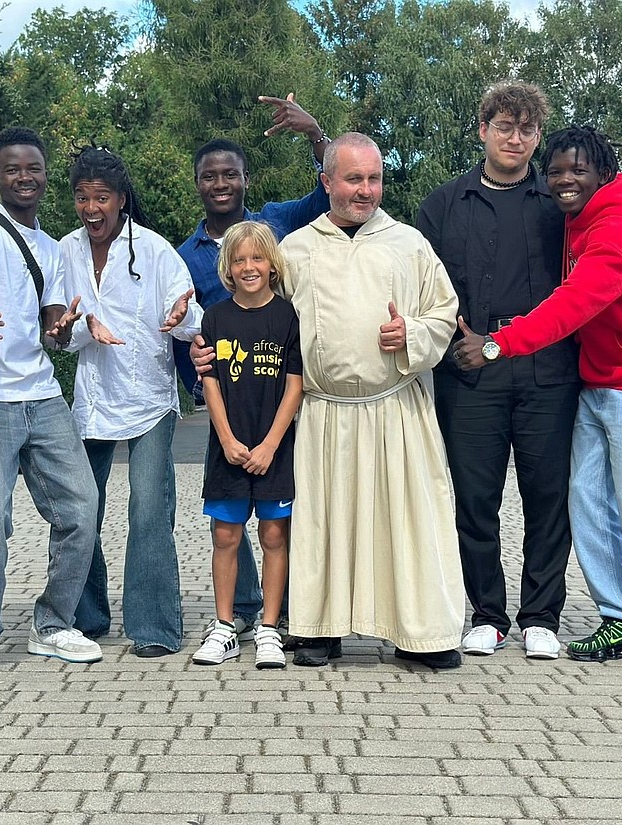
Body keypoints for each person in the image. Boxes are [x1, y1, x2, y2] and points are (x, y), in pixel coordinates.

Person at [418, 82, 622, 661]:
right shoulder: (444, 204)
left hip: (552, 375)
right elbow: (421, 285)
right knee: (477, 501)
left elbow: (590, 290)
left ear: (537, 136)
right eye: (504, 126)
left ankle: (542, 616)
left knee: (554, 501)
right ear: (483, 130)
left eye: (527, 129)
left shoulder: (563, 203)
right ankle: (488, 616)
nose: (515, 138)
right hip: (471, 371)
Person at [278, 132, 466, 668]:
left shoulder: (409, 244)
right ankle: (319, 629)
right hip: (323, 413)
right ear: (326, 181)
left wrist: (411, 333)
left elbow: (444, 312)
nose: (365, 190)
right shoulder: (295, 250)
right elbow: (266, 322)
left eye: (374, 179)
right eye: (353, 179)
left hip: (396, 409)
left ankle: (422, 633)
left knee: (408, 522)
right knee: (324, 523)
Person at [0, 127, 102, 677]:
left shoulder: (52, 249)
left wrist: (61, 330)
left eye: (33, 168)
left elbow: (51, 325)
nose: (24, 177)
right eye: (12, 169)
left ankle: (53, 625)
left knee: (82, 507)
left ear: (45, 176)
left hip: (42, 394)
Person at [179, 94, 331, 644]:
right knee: (228, 527)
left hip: (275, 404)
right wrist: (197, 369)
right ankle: (236, 615)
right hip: (227, 403)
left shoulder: (274, 221)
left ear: (245, 179)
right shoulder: (185, 254)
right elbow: (183, 327)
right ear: (198, 183)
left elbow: (326, 193)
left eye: (231, 174)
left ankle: (279, 615)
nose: (220, 183)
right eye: (210, 176)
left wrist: (315, 134)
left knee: (276, 526)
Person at [60, 146, 203, 658]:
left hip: (149, 401)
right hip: (93, 400)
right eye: (82, 197)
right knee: (81, 508)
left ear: (121, 199)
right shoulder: (66, 250)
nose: (91, 208)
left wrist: (182, 316)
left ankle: (155, 626)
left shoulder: (156, 250)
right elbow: (60, 330)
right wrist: (76, 327)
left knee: (148, 509)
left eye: (101, 197)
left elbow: (190, 319)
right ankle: (86, 617)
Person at [192, 222, 303, 669]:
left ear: (272, 265)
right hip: (229, 449)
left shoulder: (288, 316)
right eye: (239, 260)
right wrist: (226, 438)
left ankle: (270, 628)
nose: (248, 267)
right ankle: (225, 627)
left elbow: (295, 385)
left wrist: (271, 445)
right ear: (228, 267)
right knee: (225, 535)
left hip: (273, 448)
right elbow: (211, 382)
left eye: (257, 258)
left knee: (274, 534)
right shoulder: (216, 318)